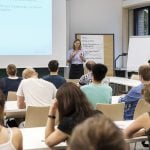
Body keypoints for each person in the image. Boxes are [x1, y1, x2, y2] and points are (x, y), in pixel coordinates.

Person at [45, 82, 102, 147]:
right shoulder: (99, 114)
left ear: (62, 103)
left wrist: (52, 110)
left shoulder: (69, 123)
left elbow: (48, 141)